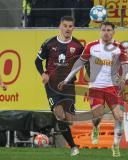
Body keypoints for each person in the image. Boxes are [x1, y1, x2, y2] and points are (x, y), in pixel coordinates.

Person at [58, 21, 128, 157]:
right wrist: (67, 79)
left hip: (113, 87)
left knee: (119, 116)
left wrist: (124, 78)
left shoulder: (119, 47)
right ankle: (96, 127)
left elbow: (126, 65)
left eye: (109, 30)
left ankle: (115, 145)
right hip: (96, 87)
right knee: (97, 116)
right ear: (100, 31)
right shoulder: (92, 46)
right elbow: (79, 63)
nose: (106, 32)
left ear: (113, 32)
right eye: (103, 30)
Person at [35, 16, 84, 156]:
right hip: (52, 85)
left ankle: (70, 118)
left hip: (68, 85)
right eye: (65, 25)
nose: (67, 29)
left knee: (68, 119)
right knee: (59, 114)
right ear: (60, 26)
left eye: (70, 26)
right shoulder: (49, 44)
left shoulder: (78, 46)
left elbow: (84, 62)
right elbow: (37, 62)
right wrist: (43, 73)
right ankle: (74, 147)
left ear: (73, 28)